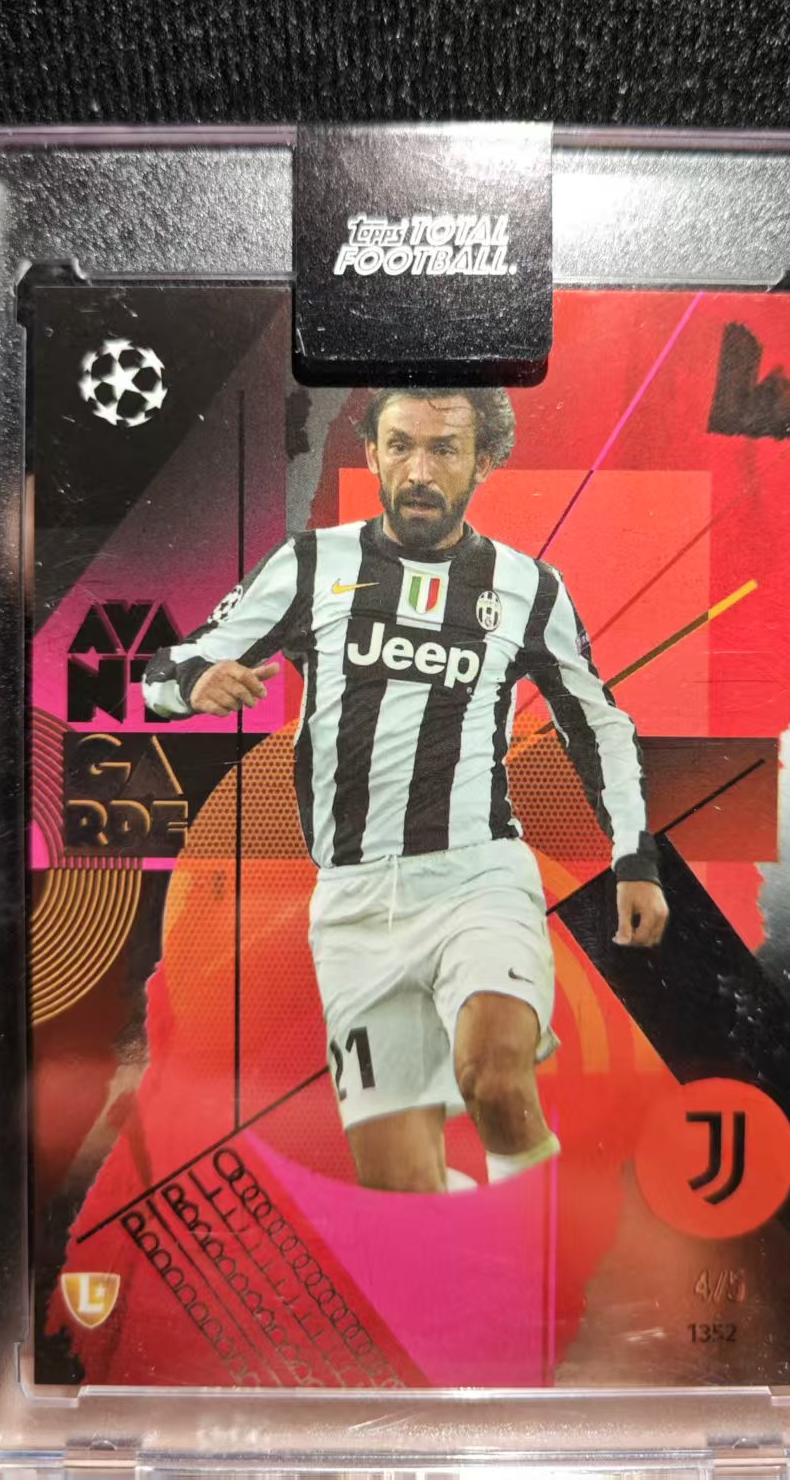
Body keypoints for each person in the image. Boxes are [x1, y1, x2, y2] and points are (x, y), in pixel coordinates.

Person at [144, 387, 669, 1193]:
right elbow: (164, 672)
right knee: (399, 1181)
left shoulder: (528, 588)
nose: (418, 471)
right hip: (353, 902)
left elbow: (597, 724)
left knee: (493, 1078)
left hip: (475, 879)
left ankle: (540, 1243)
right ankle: (481, 1245)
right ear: (372, 453)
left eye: (443, 449)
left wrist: (635, 859)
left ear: (484, 462)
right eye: (399, 446)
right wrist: (194, 685)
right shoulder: (310, 564)